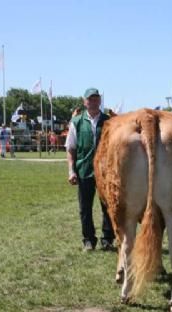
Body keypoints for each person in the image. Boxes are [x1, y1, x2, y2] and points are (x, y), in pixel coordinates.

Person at [65, 88, 115, 251]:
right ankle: (88, 239)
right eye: (89, 99)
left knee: (108, 206)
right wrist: (71, 171)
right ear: (84, 101)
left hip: (105, 172)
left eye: (95, 98)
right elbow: (71, 148)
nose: (93, 102)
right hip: (84, 170)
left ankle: (107, 239)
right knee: (85, 208)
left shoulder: (109, 121)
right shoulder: (77, 122)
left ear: (99, 100)